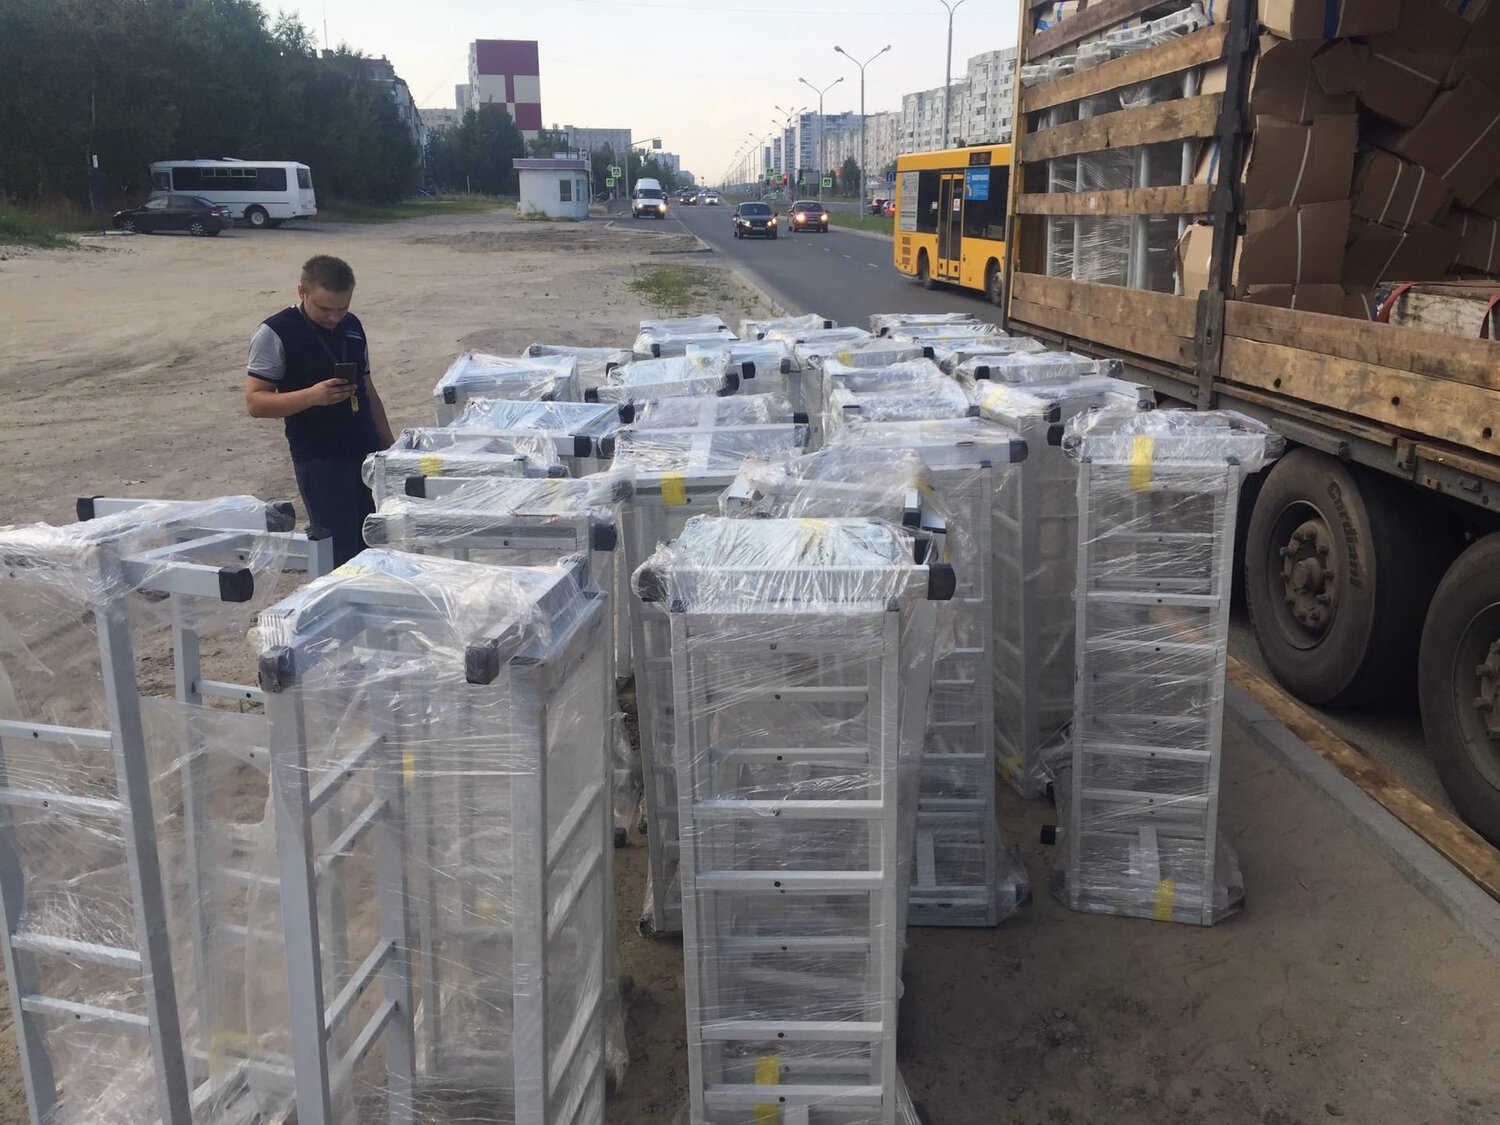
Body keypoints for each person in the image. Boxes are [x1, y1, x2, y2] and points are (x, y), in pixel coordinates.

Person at [245, 254, 394, 565]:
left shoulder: (352, 325)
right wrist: (312, 396)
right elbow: (255, 402)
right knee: (337, 554)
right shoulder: (276, 332)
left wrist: (389, 448)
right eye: (325, 309)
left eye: (343, 308)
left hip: (366, 453)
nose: (334, 317)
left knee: (375, 546)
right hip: (320, 459)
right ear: (302, 292)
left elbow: (367, 388)